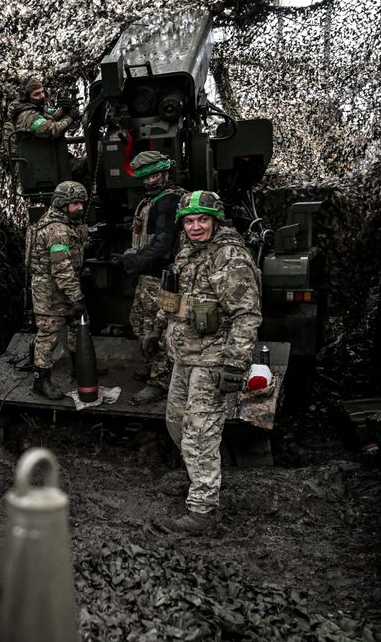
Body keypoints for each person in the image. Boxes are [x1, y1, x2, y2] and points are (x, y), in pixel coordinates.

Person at [152, 191, 262, 533]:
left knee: (199, 433)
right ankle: (202, 477)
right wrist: (158, 328)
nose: (196, 227)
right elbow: (176, 298)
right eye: (189, 221)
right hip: (184, 356)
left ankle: (202, 511)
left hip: (212, 359)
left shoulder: (229, 257)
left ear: (215, 221)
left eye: (202, 220)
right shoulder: (187, 251)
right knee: (176, 422)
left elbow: (246, 314)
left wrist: (235, 364)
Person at [113, 150, 186, 405]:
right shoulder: (150, 201)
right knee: (138, 323)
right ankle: (152, 366)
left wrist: (133, 261)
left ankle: (160, 380)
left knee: (157, 330)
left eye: (154, 176)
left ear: (165, 173)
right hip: (147, 277)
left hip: (161, 277)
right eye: (145, 178)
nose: (149, 181)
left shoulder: (169, 201)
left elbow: (163, 244)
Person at [29, 181, 89, 399]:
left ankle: (80, 367)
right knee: (48, 337)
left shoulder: (67, 223)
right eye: (75, 203)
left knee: (77, 328)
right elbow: (62, 268)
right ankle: (41, 380)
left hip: (63, 288)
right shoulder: (57, 230)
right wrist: (77, 297)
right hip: (50, 293)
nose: (80, 207)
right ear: (62, 204)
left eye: (81, 203)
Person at [7, 78, 79, 139]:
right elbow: (52, 130)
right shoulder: (27, 115)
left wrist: (63, 110)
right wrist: (70, 117)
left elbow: (50, 119)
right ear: (27, 98)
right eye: (37, 94)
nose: (42, 96)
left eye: (42, 92)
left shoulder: (34, 108)